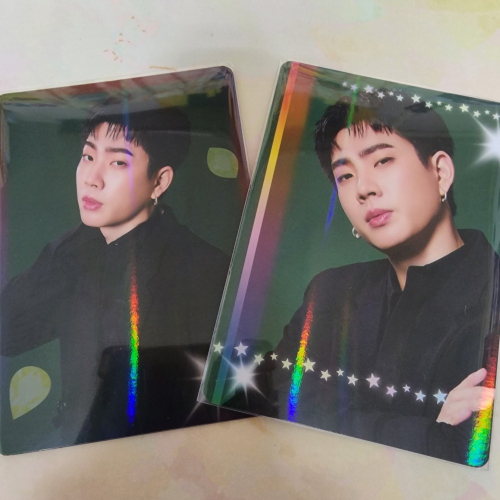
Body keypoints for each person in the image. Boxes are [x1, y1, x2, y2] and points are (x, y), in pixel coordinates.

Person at [269, 91, 498, 465]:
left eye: (382, 160)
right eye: (345, 175)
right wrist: (429, 434)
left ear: (440, 172)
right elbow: (277, 407)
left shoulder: (493, 297)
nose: (363, 188)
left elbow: (471, 455)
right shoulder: (329, 294)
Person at [1, 101, 237, 451]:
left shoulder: (205, 268)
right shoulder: (71, 253)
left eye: (118, 162)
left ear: (159, 181)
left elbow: (217, 404)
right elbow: (7, 335)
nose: (92, 179)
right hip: (74, 444)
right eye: (88, 156)